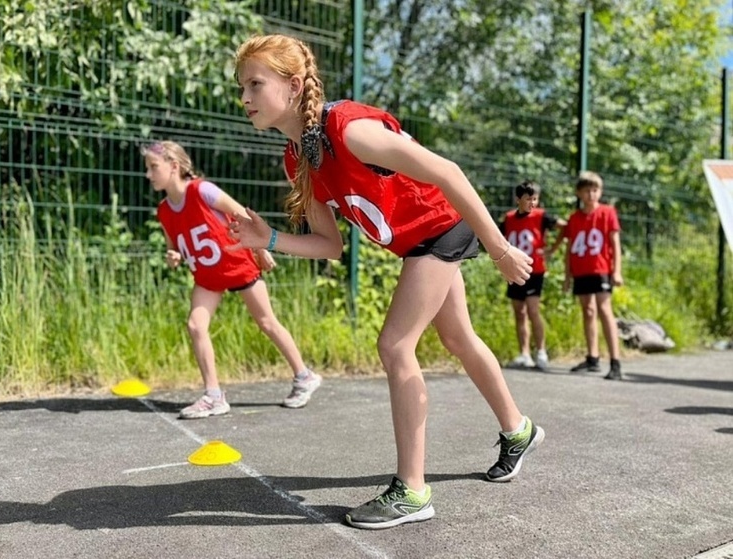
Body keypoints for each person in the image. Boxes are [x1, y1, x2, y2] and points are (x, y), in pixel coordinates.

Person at [230, 34, 544, 530]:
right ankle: (519, 429)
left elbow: (449, 172)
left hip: (442, 227)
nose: (244, 97)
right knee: (458, 337)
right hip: (419, 242)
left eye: (254, 83)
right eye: (241, 86)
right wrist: (268, 239)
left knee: (395, 345)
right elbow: (328, 245)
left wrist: (501, 249)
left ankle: (413, 492)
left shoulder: (348, 129)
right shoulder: (300, 157)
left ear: (292, 86)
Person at [142, 141, 321, 417]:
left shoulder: (202, 190)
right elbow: (174, 247)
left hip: (237, 264)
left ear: (174, 166)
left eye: (154, 167)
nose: (149, 174)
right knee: (195, 325)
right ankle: (213, 396)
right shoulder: (164, 211)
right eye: (148, 168)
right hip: (207, 276)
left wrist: (261, 248)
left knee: (267, 322)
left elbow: (242, 214)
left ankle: (304, 376)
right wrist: (174, 257)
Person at [562, 171, 623, 380]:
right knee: (588, 311)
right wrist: (567, 276)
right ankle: (592, 358)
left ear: (600, 192)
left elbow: (615, 244)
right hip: (581, 271)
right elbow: (569, 248)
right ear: (579, 193)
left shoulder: (607, 213)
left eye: (595, 190)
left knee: (605, 310)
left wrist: (617, 270)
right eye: (587, 190)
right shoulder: (574, 218)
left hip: (601, 269)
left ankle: (615, 362)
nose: (591, 194)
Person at [501, 180, 566, 371]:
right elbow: (499, 239)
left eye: (535, 199)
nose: (533, 203)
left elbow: (566, 227)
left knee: (532, 310)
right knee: (519, 312)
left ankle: (541, 352)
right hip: (515, 270)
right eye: (529, 199)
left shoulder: (542, 216)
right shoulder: (509, 219)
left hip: (534, 270)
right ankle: (524, 354)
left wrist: (551, 250)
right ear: (518, 199)